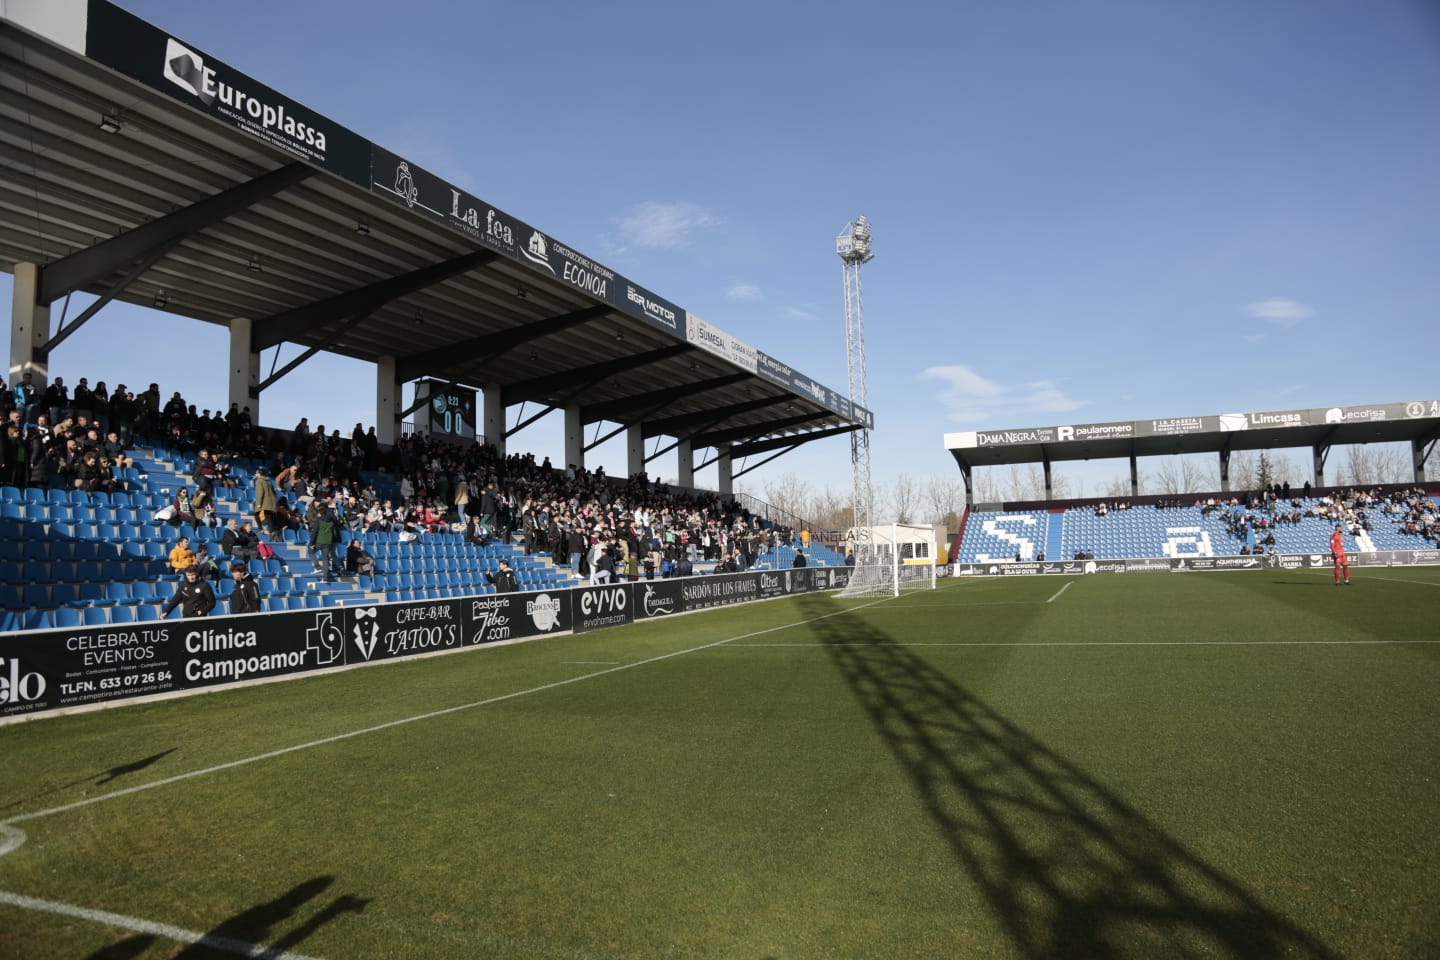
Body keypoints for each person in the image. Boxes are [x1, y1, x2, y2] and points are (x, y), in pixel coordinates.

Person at [309, 500, 342, 582]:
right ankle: (325, 579)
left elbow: (314, 532)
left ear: (320, 513)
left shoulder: (319, 520)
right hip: (328, 542)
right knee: (325, 559)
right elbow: (334, 532)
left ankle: (317, 567)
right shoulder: (332, 522)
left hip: (319, 541)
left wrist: (311, 543)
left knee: (310, 551)